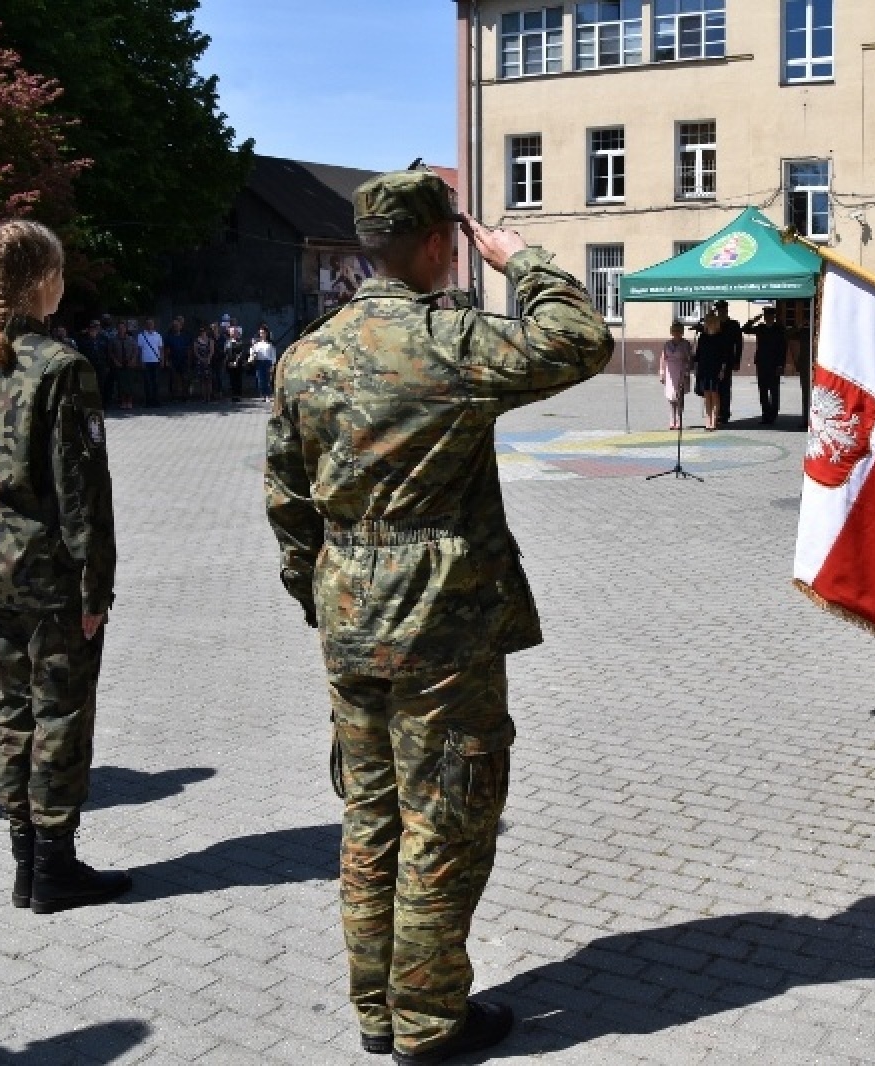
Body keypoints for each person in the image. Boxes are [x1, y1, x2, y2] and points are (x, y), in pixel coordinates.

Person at [265, 167, 612, 1064]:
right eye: (453, 243)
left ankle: (376, 1011)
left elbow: (287, 499)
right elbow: (580, 339)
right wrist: (522, 259)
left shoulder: (308, 354)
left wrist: (322, 591)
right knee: (445, 821)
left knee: (370, 816)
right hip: (439, 618)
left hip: (349, 613)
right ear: (435, 244)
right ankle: (427, 1023)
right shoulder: (447, 338)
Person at [0, 219, 130, 914]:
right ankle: (54, 864)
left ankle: (25, 861)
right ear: (41, 280)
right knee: (60, 715)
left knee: (14, 711)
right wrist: (96, 585)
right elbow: (83, 491)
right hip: (52, 580)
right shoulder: (61, 367)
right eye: (57, 272)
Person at [741, 304, 787, 425]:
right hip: (762, 363)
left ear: (773, 317)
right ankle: (765, 414)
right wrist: (753, 320)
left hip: (775, 364)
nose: (768, 318)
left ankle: (773, 414)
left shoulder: (779, 329)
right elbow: (744, 329)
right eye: (766, 316)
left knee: (774, 390)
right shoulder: (760, 327)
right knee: (762, 390)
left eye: (770, 316)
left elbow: (783, 348)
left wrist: (781, 365)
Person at [693, 313, 729, 431]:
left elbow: (725, 356)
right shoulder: (702, 337)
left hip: (716, 369)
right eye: (708, 322)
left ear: (716, 323)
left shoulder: (721, 337)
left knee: (715, 394)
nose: (710, 324)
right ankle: (707, 421)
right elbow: (698, 355)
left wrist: (722, 370)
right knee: (706, 395)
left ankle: (714, 420)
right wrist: (696, 368)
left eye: (712, 322)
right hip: (704, 369)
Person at [658, 320, 692, 430]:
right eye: (674, 331)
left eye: (678, 331)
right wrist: (662, 372)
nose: (676, 333)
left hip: (681, 370)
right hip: (670, 371)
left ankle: (679, 419)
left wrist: (687, 371)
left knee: (679, 396)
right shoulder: (667, 344)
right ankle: (671, 418)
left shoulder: (686, 344)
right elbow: (663, 358)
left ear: (682, 332)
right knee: (671, 397)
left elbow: (689, 358)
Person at [713, 300, 743, 424]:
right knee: (715, 388)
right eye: (719, 310)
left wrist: (737, 360)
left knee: (725, 387)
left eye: (722, 309)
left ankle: (724, 413)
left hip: (728, 360)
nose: (721, 312)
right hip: (714, 360)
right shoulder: (713, 323)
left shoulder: (733, 324)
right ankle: (716, 412)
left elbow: (739, 344)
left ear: (726, 310)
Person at [136, 317, 164, 408]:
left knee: (156, 382)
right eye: (148, 324)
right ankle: (148, 401)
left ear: (154, 325)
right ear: (145, 325)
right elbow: (139, 350)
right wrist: (140, 361)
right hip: (146, 361)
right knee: (147, 382)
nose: (150, 325)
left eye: (151, 323)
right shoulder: (141, 336)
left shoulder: (158, 335)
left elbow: (161, 349)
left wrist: (162, 360)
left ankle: (156, 401)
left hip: (156, 361)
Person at [164, 316, 192, 401]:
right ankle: (173, 396)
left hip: (184, 360)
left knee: (185, 378)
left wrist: (189, 360)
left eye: (178, 325)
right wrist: (167, 361)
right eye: (174, 326)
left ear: (181, 326)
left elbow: (189, 349)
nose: (176, 327)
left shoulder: (185, 336)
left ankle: (185, 396)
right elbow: (166, 350)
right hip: (173, 360)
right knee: (173, 379)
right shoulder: (169, 337)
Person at [248, 323, 277, 400]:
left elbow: (273, 355)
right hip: (259, 362)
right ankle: (263, 394)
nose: (262, 334)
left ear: (266, 333)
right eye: (260, 333)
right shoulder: (257, 343)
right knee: (260, 379)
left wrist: (273, 364)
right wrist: (252, 355)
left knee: (267, 379)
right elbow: (252, 351)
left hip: (267, 362)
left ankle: (268, 395)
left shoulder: (270, 344)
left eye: (263, 333)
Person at [191, 325, 214, 402]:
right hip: (200, 362)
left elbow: (211, 351)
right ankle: (204, 397)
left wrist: (208, 359)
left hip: (209, 362)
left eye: (204, 331)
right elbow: (195, 351)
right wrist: (201, 359)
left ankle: (209, 397)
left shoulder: (210, 340)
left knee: (209, 380)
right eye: (201, 331)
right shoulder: (196, 341)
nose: (202, 333)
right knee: (203, 380)